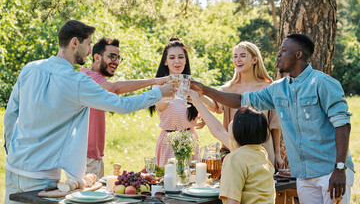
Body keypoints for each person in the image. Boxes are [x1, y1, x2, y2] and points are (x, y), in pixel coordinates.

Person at [3, 20, 176, 203]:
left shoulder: (30, 68)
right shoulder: (77, 81)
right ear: (74, 43)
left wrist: (11, 148)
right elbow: (122, 105)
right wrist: (157, 93)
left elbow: (11, 113)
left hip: (13, 167)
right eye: (88, 44)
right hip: (41, 175)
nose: (89, 51)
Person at [191, 34, 354, 204]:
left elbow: (343, 125)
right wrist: (204, 90)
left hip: (331, 172)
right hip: (304, 175)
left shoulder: (323, 83)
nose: (278, 54)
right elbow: (240, 100)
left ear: (298, 54)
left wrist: (340, 168)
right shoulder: (277, 89)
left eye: (283, 50)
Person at [80, 37, 169, 179]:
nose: (115, 61)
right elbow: (115, 88)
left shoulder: (96, 79)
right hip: (84, 158)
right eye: (111, 56)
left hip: (94, 156)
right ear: (97, 57)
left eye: (118, 58)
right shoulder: (87, 76)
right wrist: (154, 82)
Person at [201, 41, 283, 168]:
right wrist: (200, 96)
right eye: (235, 56)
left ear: (254, 59)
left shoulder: (268, 88)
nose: (237, 59)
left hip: (264, 150)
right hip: (234, 149)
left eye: (243, 56)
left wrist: (277, 153)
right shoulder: (227, 89)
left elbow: (275, 125)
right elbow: (215, 106)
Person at [190, 89, 275, 203]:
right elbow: (217, 130)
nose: (231, 122)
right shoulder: (259, 152)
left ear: (239, 130)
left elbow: (232, 202)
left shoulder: (235, 158)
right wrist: (196, 101)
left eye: (234, 120)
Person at [149, 37, 204, 167]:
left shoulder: (191, 84)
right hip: (168, 140)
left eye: (180, 57)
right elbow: (160, 107)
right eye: (172, 58)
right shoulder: (159, 84)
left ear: (185, 61)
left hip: (190, 139)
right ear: (166, 62)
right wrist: (171, 91)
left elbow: (207, 106)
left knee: (191, 180)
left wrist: (204, 116)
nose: (177, 61)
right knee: (168, 181)